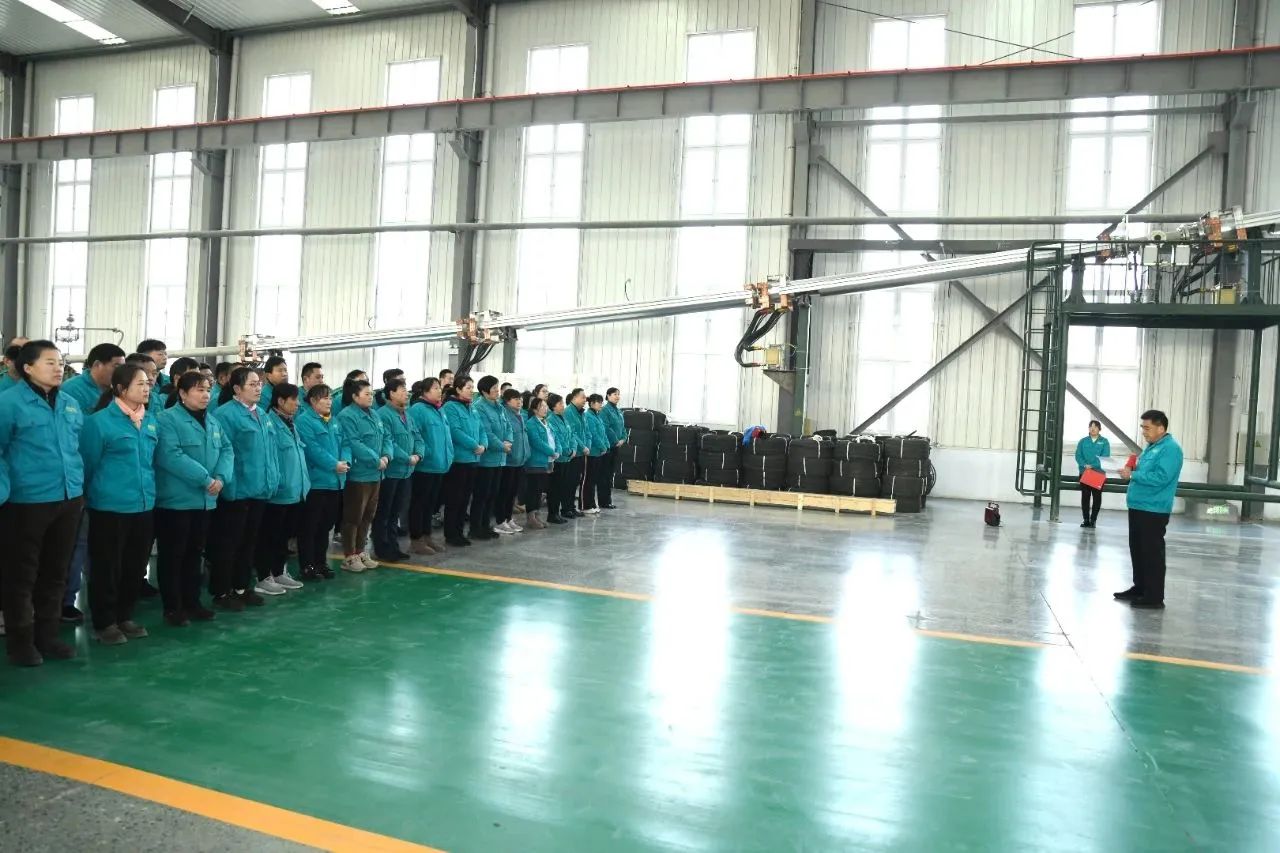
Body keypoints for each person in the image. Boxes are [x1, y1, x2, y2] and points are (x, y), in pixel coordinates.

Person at [0, 340, 85, 666]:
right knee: (21, 576)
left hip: (68, 499)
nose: (58, 367)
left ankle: (47, 637)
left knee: (55, 572)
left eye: (60, 362)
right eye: (50, 362)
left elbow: (76, 448)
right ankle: (21, 643)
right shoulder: (9, 403)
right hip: (25, 502)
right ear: (28, 367)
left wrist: (78, 487)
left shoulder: (69, 404)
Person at [80, 363, 158, 645]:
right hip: (109, 507)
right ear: (121, 389)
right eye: (140, 384)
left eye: (148, 383)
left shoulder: (150, 421)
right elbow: (88, 464)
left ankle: (125, 616)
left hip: (144, 505)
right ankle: (104, 622)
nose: (147, 388)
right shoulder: (99, 422)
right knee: (107, 567)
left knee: (135, 566)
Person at [154, 370, 229, 626]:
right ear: (183, 393)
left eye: (208, 389)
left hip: (205, 501)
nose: (206, 394)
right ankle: (172, 607)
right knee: (173, 555)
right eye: (199, 389)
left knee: (195, 554)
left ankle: (192, 602)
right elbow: (170, 455)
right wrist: (206, 480)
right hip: (176, 501)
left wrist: (221, 478)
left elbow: (227, 449)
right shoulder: (166, 419)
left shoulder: (213, 421)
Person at [59, 343, 126, 623]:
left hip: (109, 482)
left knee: (98, 545)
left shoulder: (117, 391)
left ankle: (102, 594)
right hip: (79, 477)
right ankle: (65, 600)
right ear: (97, 364)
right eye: (115, 365)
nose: (119, 371)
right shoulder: (72, 392)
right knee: (76, 543)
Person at [209, 367, 281, 611]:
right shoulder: (225, 415)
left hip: (259, 490)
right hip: (236, 491)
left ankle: (241, 586)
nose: (258, 388)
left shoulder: (262, 414)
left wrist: (273, 480)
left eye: (259, 384)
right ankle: (222, 591)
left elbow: (270, 452)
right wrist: (229, 487)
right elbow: (223, 453)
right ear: (237, 389)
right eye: (252, 384)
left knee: (249, 542)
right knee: (229, 544)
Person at [1116, 410, 1184, 609]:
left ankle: (1154, 597)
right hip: (1138, 506)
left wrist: (1133, 476)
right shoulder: (1151, 448)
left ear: (1161, 428)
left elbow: (1162, 477)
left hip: (1153, 509)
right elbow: (1146, 472)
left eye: (1147, 428)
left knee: (1151, 552)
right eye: (1142, 428)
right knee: (1138, 550)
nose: (1144, 432)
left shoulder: (1170, 449)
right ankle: (1140, 588)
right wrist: (1132, 470)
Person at [255, 383, 309, 595]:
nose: (298, 403)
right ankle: (263, 576)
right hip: (278, 491)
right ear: (280, 401)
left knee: (284, 537)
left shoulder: (290, 423)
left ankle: (279, 572)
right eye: (294, 399)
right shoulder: (270, 423)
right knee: (269, 536)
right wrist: (277, 482)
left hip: (295, 490)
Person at [337, 379, 390, 572]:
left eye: (371, 393)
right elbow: (354, 443)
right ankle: (349, 556)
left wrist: (386, 456)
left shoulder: (374, 414)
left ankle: (360, 551)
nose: (370, 397)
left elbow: (386, 437)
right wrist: (376, 460)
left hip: (376, 474)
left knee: (368, 516)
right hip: (359, 475)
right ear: (354, 396)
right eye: (366, 394)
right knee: (353, 517)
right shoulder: (347, 416)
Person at [296, 384, 348, 580]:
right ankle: (307, 565)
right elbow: (312, 449)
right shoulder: (304, 421)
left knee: (326, 526)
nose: (329, 401)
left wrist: (346, 461)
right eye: (324, 398)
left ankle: (321, 562)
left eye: (330, 398)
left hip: (335, 482)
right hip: (316, 483)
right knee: (310, 527)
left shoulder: (334, 421)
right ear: (312, 401)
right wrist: (334, 464)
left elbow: (346, 443)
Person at [373, 378, 423, 561]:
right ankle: (382, 548)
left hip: (406, 472)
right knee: (384, 512)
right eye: (402, 390)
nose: (406, 393)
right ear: (391, 393)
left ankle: (394, 546)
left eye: (406, 390)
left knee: (395, 511)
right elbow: (389, 442)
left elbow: (417, 437)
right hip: (391, 472)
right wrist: (407, 458)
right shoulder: (383, 415)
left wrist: (419, 454)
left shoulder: (407, 414)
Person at [407, 378, 452, 555]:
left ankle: (427, 536)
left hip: (439, 465)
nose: (439, 391)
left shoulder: (439, 409)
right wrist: (425, 454)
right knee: (419, 504)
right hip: (425, 466)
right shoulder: (418, 410)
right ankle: (416, 539)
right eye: (435, 388)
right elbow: (415, 436)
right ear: (424, 391)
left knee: (430, 504)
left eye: (439, 388)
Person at [441, 378, 487, 546]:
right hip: (459, 460)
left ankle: (460, 532)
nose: (471, 390)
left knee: (465, 498)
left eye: (472, 387)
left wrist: (484, 445)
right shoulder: (450, 407)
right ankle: (451, 534)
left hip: (473, 460)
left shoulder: (471, 407)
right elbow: (455, 431)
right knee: (455, 499)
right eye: (468, 387)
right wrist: (475, 445)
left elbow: (481, 429)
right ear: (458, 390)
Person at [472, 376, 510, 539]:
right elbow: (487, 433)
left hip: (500, 459)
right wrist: (502, 446)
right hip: (486, 460)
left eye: (497, 387)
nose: (497, 391)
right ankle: (476, 528)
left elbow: (508, 427)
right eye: (494, 388)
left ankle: (486, 526)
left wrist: (509, 441)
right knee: (482, 495)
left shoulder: (499, 407)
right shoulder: (479, 407)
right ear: (484, 391)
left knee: (492, 494)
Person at [495, 388, 530, 534]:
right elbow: (506, 435)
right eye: (516, 399)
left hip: (519, 460)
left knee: (512, 493)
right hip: (508, 460)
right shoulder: (505, 414)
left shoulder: (519, 415)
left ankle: (508, 518)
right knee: (504, 492)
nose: (519, 402)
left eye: (520, 399)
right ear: (507, 401)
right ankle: (500, 520)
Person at [523, 397, 559, 528]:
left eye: (545, 406)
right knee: (533, 490)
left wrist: (558, 450)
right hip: (535, 462)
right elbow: (537, 442)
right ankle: (530, 517)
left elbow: (554, 438)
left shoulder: (546, 422)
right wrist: (551, 452)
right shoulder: (531, 424)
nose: (545, 409)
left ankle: (537, 515)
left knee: (540, 490)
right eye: (541, 407)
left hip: (547, 462)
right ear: (534, 409)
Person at [547, 393, 580, 521]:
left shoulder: (564, 418)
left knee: (564, 486)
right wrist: (568, 451)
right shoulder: (551, 420)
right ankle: (552, 514)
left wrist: (573, 449)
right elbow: (557, 440)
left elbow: (571, 435)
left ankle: (563, 511)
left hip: (567, 459)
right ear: (553, 406)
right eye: (560, 403)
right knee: (555, 488)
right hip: (558, 459)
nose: (563, 406)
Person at [1075, 420, 1111, 529]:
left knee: (1096, 498)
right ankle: (1086, 520)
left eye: (1095, 426)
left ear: (1099, 429)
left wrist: (1092, 465)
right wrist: (1084, 465)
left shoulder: (1104, 442)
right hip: (1085, 472)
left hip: (1098, 473)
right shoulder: (1083, 441)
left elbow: (1105, 457)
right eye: (1091, 426)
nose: (1093, 428)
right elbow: (1078, 455)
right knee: (1085, 497)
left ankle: (1093, 520)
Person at [582, 394, 611, 513]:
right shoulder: (588, 416)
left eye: (601, 402)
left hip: (599, 453)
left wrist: (607, 445)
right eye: (599, 402)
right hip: (592, 452)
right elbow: (594, 435)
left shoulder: (597, 415)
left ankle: (592, 503)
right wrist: (602, 446)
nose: (601, 404)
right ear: (592, 403)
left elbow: (603, 433)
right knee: (589, 480)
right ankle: (587, 505)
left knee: (594, 480)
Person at [564, 388, 591, 514]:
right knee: (569, 481)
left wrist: (588, 446)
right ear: (574, 397)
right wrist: (582, 446)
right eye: (582, 397)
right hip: (574, 453)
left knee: (576, 481)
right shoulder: (568, 412)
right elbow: (572, 434)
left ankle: (572, 507)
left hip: (582, 453)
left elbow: (587, 431)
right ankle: (566, 508)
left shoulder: (582, 413)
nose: (585, 400)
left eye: (585, 398)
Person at [602, 387, 626, 496]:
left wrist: (623, 438)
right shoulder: (605, 410)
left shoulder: (619, 411)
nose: (617, 396)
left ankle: (608, 500)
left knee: (611, 473)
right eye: (615, 394)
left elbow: (623, 427)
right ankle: (604, 500)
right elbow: (606, 428)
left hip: (617, 446)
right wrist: (616, 441)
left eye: (618, 394)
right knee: (605, 474)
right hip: (608, 446)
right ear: (608, 396)